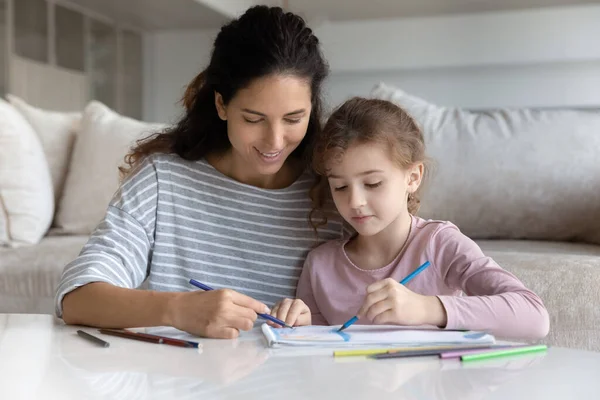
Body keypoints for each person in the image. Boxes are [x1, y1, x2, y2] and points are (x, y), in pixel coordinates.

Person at [55, 6, 348, 339]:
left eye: (294, 119)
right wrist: (178, 309)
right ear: (221, 105)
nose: (275, 141)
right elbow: (76, 297)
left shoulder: (338, 190)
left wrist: (318, 320)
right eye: (254, 119)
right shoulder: (161, 181)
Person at [269, 97, 550, 340]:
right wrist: (300, 327)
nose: (355, 202)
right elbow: (313, 358)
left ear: (413, 177)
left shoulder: (439, 244)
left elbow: (534, 316)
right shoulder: (320, 265)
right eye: (340, 187)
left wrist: (425, 309)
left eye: (373, 183)